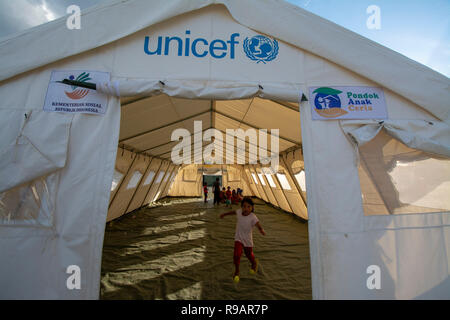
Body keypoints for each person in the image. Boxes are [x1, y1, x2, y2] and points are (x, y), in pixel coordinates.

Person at [220, 197, 265, 283]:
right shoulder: (239, 212)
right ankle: (237, 271)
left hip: (247, 239)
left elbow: (257, 224)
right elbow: (233, 212)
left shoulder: (253, 217)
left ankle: (254, 263)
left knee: (249, 255)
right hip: (238, 238)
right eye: (244, 206)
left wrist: (261, 229)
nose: (246, 209)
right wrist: (224, 214)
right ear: (241, 207)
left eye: (249, 207)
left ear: (252, 208)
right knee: (236, 255)